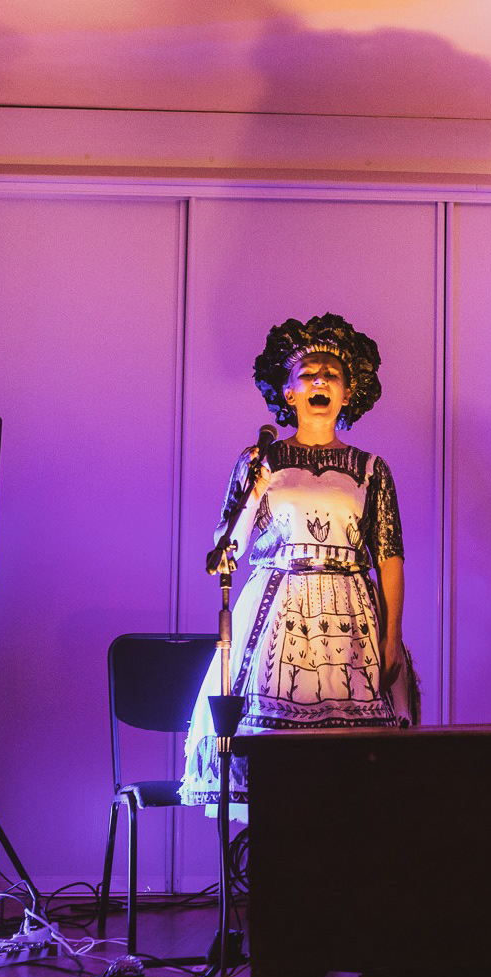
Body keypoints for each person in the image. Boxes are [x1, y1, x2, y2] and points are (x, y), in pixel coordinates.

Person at [181, 313, 417, 804]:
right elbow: (228, 549)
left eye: (332, 374)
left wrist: (392, 636)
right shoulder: (261, 461)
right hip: (276, 610)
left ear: (348, 393)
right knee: (272, 756)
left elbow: (389, 555)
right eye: (308, 374)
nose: (320, 381)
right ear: (289, 393)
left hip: (351, 615)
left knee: (351, 766)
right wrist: (254, 490)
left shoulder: (371, 469)